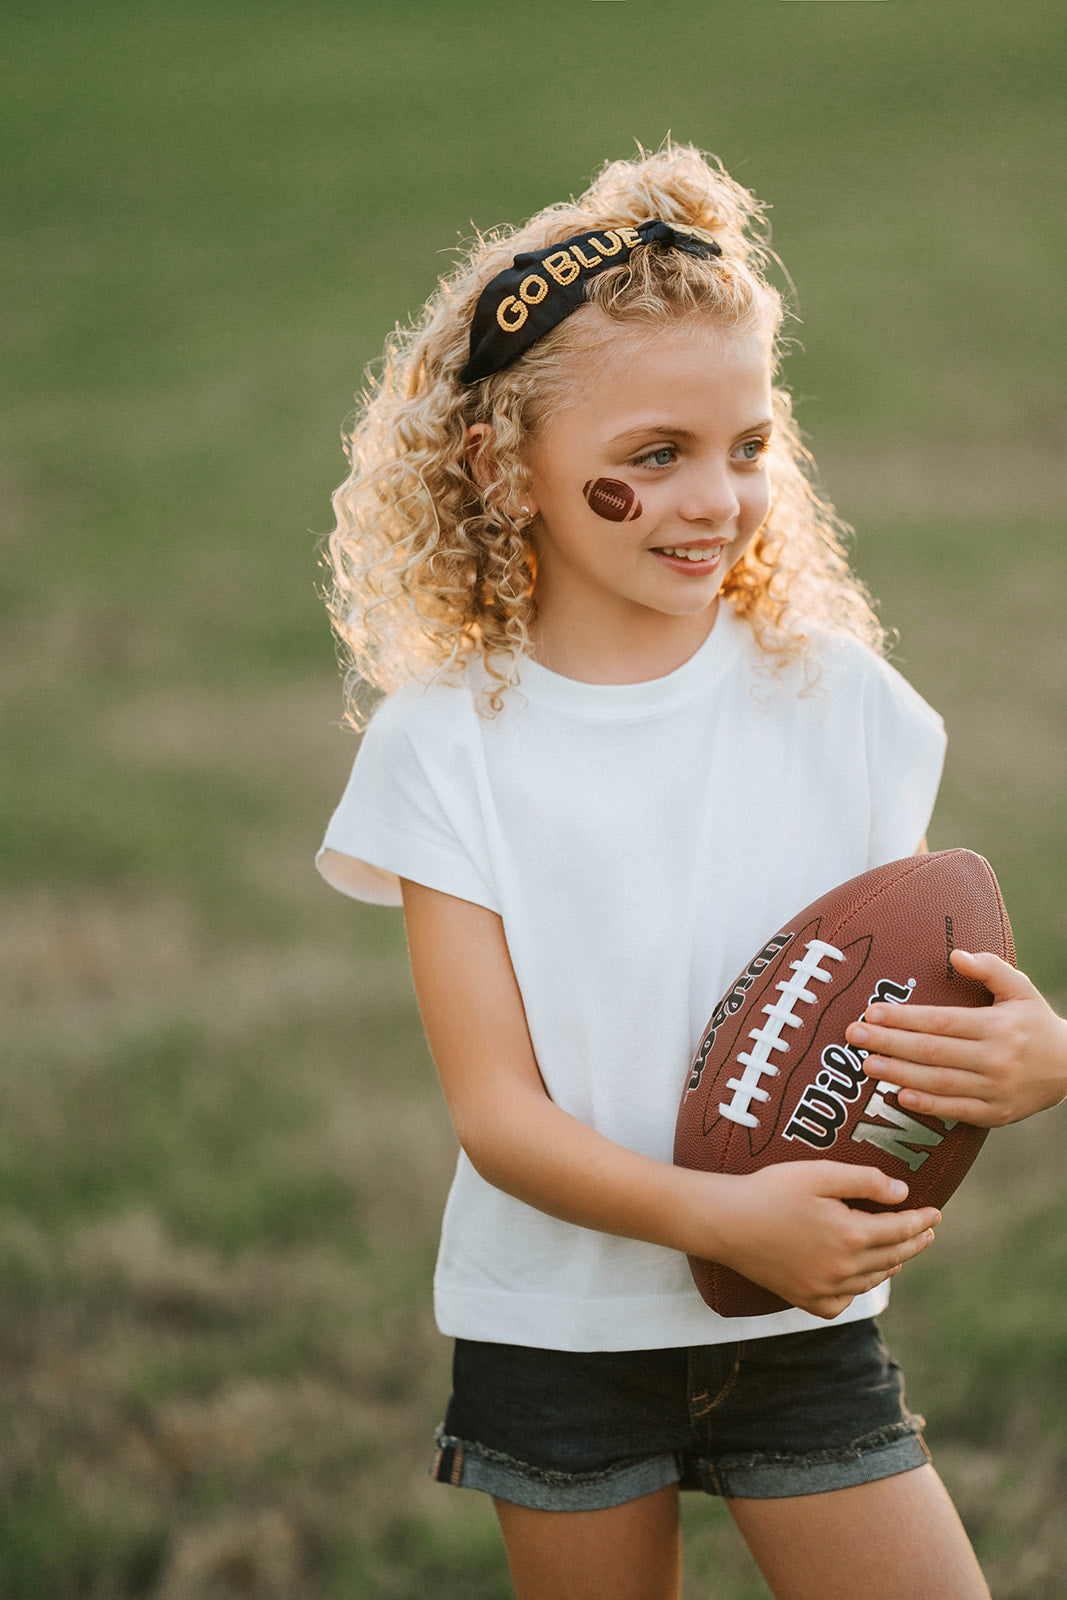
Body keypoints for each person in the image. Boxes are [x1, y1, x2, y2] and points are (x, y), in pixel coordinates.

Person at [315, 144, 1067, 1600]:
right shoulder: (447, 747)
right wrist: (718, 1219)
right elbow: (498, 1116)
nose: (714, 498)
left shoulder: (842, 709)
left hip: (798, 1325)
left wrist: (1030, 1055)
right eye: (652, 456)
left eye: (749, 445)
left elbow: (895, 1004)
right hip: (559, 1337)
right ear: (499, 466)